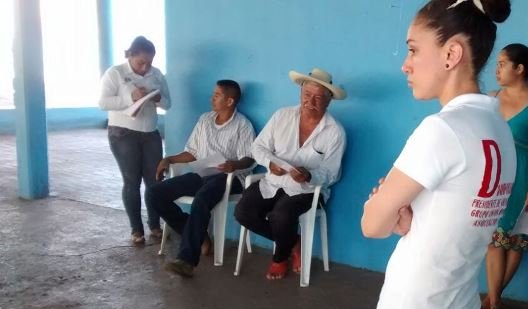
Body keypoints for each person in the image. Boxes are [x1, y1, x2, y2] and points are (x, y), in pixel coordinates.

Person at [322, 0, 514, 309]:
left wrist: (389, 212)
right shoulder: (496, 124)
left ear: (451, 54)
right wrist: (410, 217)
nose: (405, 64)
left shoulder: (442, 130)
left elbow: (372, 224)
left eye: (413, 49)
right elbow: (458, 216)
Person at [234, 68, 346, 280]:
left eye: (318, 97)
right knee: (243, 212)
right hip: (273, 182)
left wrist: (309, 175)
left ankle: (279, 258)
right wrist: (270, 163)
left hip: (307, 190)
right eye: (307, 95)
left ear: (329, 101)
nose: (310, 101)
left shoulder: (335, 131)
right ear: (300, 93)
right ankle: (294, 241)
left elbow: (332, 173)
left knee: (281, 215)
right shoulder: (282, 116)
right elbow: (257, 147)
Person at [145, 80, 256, 277]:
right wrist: (169, 159)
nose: (212, 99)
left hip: (230, 178)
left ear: (230, 101)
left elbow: (249, 158)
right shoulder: (205, 120)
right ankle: (199, 235)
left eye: (217, 95)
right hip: (203, 174)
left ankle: (186, 259)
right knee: (154, 193)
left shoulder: (243, 125)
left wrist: (234, 165)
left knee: (203, 197)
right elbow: (192, 152)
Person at [483, 43, 528, 309]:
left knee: (513, 241)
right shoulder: (491, 99)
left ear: (519, 68)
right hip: (493, 175)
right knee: (493, 240)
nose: (497, 70)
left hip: (521, 175)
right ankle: (495, 301)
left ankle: (492, 300)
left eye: (502, 64)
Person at [99, 36, 171, 245]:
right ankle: (136, 229)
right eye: (141, 62)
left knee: (155, 180)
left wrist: (157, 98)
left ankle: (155, 225)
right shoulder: (115, 73)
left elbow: (168, 103)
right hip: (123, 133)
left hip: (150, 132)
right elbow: (103, 103)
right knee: (132, 181)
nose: (145, 67)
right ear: (130, 55)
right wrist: (130, 97)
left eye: (149, 62)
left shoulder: (156, 74)